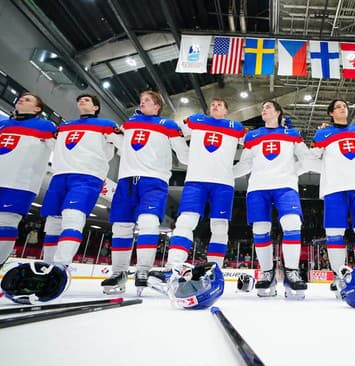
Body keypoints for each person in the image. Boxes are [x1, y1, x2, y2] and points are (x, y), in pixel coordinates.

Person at [101, 90, 189, 295]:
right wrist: (112, 136)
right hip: (126, 179)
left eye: (147, 100)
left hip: (154, 180)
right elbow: (126, 147)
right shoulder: (128, 124)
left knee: (149, 222)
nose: (142, 103)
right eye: (141, 100)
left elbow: (184, 156)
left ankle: (143, 271)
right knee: (121, 226)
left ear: (157, 106)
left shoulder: (168, 125)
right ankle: (119, 272)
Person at [150, 98, 245, 283]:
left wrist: (234, 172)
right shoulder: (196, 120)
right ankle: (173, 268)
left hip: (223, 184)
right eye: (213, 104)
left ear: (226, 110)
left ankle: (214, 273)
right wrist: (185, 156)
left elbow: (253, 147)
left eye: (220, 104)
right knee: (185, 221)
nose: (215, 106)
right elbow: (175, 134)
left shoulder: (236, 127)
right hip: (195, 180)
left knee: (220, 227)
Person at [233, 100, 315, 298]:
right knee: (260, 228)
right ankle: (267, 273)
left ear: (278, 112)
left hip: (285, 186)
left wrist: (293, 173)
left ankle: (292, 272)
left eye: (268, 107)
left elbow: (307, 159)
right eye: (262, 107)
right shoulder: (252, 136)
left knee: (292, 222)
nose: (263, 109)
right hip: (258, 187)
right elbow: (244, 165)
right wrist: (225, 174)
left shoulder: (292, 135)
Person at [0, 93, 57, 291]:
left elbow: (64, 150)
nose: (21, 100)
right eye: (21, 98)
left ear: (37, 109)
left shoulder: (47, 127)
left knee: (5, 223)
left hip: (20, 183)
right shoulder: (1, 126)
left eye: (28, 100)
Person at [39, 94, 120, 271]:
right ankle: (47, 266)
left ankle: (60, 266)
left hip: (87, 175)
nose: (82, 101)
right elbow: (55, 147)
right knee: (53, 221)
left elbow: (121, 146)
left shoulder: (106, 125)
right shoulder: (64, 126)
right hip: (60, 175)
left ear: (96, 107)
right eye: (80, 100)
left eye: (87, 100)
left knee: (72, 215)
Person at [311, 99, 355, 295]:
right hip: (334, 188)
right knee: (334, 233)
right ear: (331, 113)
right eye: (338, 107)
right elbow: (311, 156)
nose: (343, 108)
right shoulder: (323, 133)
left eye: (345, 106)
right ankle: (339, 276)